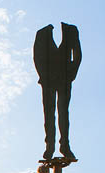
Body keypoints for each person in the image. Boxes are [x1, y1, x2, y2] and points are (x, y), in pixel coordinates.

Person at [34, 22, 81, 160]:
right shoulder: (42, 34)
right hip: (48, 79)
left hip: (64, 78)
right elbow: (37, 56)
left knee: (63, 113)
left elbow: (77, 54)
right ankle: (50, 147)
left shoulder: (71, 30)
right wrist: (43, 75)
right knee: (48, 113)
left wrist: (71, 74)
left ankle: (65, 146)